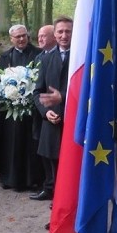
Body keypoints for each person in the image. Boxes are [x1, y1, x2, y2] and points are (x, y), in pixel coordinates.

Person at [0, 24, 43, 191]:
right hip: (10, 110)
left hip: (31, 109)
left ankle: (31, 179)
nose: (21, 39)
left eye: (24, 35)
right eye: (17, 37)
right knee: (11, 143)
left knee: (30, 143)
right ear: (11, 39)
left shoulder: (38, 55)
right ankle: (10, 178)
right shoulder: (5, 57)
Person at [31, 16, 73, 201]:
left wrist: (63, 97)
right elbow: (37, 92)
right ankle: (49, 188)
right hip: (50, 119)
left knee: (69, 165)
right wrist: (45, 112)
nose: (64, 35)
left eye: (68, 31)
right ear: (54, 34)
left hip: (72, 121)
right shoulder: (47, 60)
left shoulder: (81, 58)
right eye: (60, 31)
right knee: (49, 159)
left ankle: (65, 199)